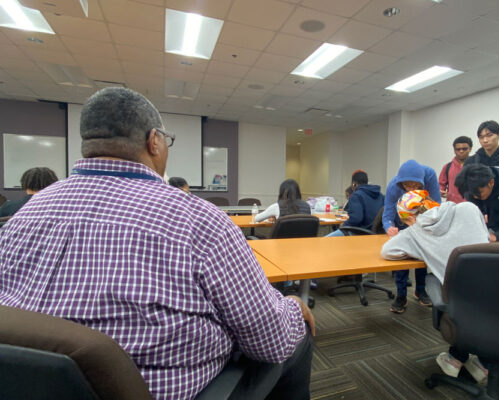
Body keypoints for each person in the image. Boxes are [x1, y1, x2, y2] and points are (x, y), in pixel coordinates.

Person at [0, 87, 315, 400]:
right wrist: (291, 307)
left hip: (26, 385)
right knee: (296, 336)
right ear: (154, 141)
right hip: (164, 391)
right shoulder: (197, 218)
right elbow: (270, 340)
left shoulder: (25, 214)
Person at [381, 191, 490, 382]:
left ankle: (455, 361)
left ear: (409, 217)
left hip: (462, 303)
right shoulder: (470, 208)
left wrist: (423, 250)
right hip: (498, 293)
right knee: (479, 295)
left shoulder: (414, 233)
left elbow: (387, 251)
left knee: (456, 292)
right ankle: (483, 363)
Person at [383, 160, 441, 313]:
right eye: (407, 185)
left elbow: (436, 205)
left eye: (415, 185)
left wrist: (424, 223)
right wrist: (389, 227)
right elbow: (387, 213)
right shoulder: (394, 186)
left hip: (423, 217)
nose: (411, 189)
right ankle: (401, 295)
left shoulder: (429, 176)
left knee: (422, 256)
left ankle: (421, 290)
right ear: (401, 183)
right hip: (402, 219)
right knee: (402, 258)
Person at [327, 170, 384, 237]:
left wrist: (344, 225)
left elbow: (356, 219)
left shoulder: (356, 195)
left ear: (354, 183)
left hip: (359, 233)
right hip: (377, 234)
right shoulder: (381, 196)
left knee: (323, 241)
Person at [438, 136, 472, 203]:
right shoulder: (447, 167)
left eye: (464, 149)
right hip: (452, 206)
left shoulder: (477, 165)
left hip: (472, 206)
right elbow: (441, 184)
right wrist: (441, 191)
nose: (461, 151)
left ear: (470, 149)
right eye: (458, 149)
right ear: (454, 150)